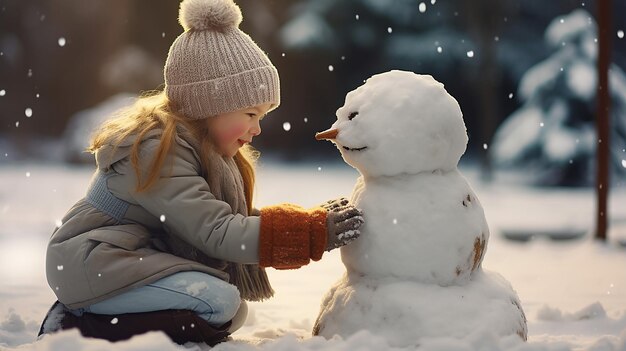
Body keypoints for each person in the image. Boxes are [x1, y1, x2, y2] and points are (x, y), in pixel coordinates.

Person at [37, 0, 364, 346]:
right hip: (93, 263)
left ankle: (114, 321)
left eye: (262, 117)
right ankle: (76, 326)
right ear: (211, 105)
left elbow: (216, 220)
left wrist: (307, 223)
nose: (257, 129)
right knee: (217, 302)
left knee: (229, 309)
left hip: (125, 259)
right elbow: (218, 232)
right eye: (251, 114)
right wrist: (310, 233)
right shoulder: (157, 152)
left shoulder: (198, 150)